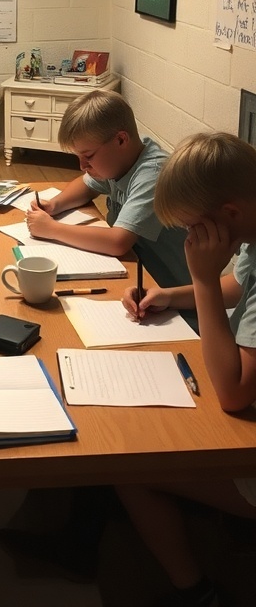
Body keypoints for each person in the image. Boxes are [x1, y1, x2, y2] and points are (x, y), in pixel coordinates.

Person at [118, 132, 256, 607]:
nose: (192, 241)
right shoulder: (252, 226)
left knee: (131, 465)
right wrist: (171, 294)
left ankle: (196, 592)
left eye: (196, 230)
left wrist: (199, 279)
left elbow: (234, 393)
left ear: (231, 215)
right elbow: (239, 282)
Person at [26, 90, 191, 289]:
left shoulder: (154, 175)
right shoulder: (124, 156)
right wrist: (55, 204)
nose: (82, 166)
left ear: (121, 140)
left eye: (88, 156)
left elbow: (118, 242)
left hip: (170, 289)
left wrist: (53, 229)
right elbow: (86, 185)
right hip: (135, 272)